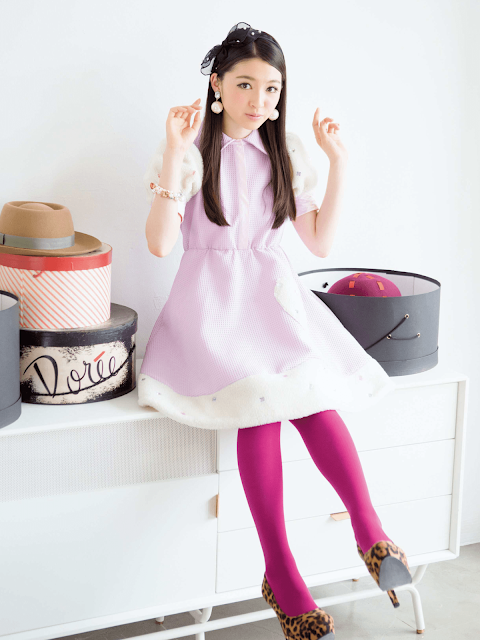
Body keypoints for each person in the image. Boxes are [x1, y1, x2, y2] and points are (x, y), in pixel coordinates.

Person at [138, 21, 412, 640]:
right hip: (211, 305)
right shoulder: (191, 148)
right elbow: (158, 244)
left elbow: (319, 241)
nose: (259, 100)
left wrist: (340, 162)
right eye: (245, 85)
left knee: (310, 394)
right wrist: (175, 152)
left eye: (271, 88)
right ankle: (281, 571)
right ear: (216, 84)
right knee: (259, 401)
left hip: (274, 297)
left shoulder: (285, 149)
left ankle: (371, 532)